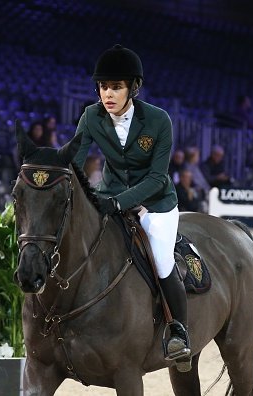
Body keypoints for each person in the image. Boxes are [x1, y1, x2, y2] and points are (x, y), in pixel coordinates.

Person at [72, 44, 191, 368]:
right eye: (103, 86)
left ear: (133, 88)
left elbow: (156, 177)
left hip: (155, 202)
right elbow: (74, 162)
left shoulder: (157, 120)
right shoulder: (91, 116)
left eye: (116, 87)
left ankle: (178, 332)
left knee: (162, 259)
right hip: (109, 195)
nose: (107, 93)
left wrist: (116, 202)